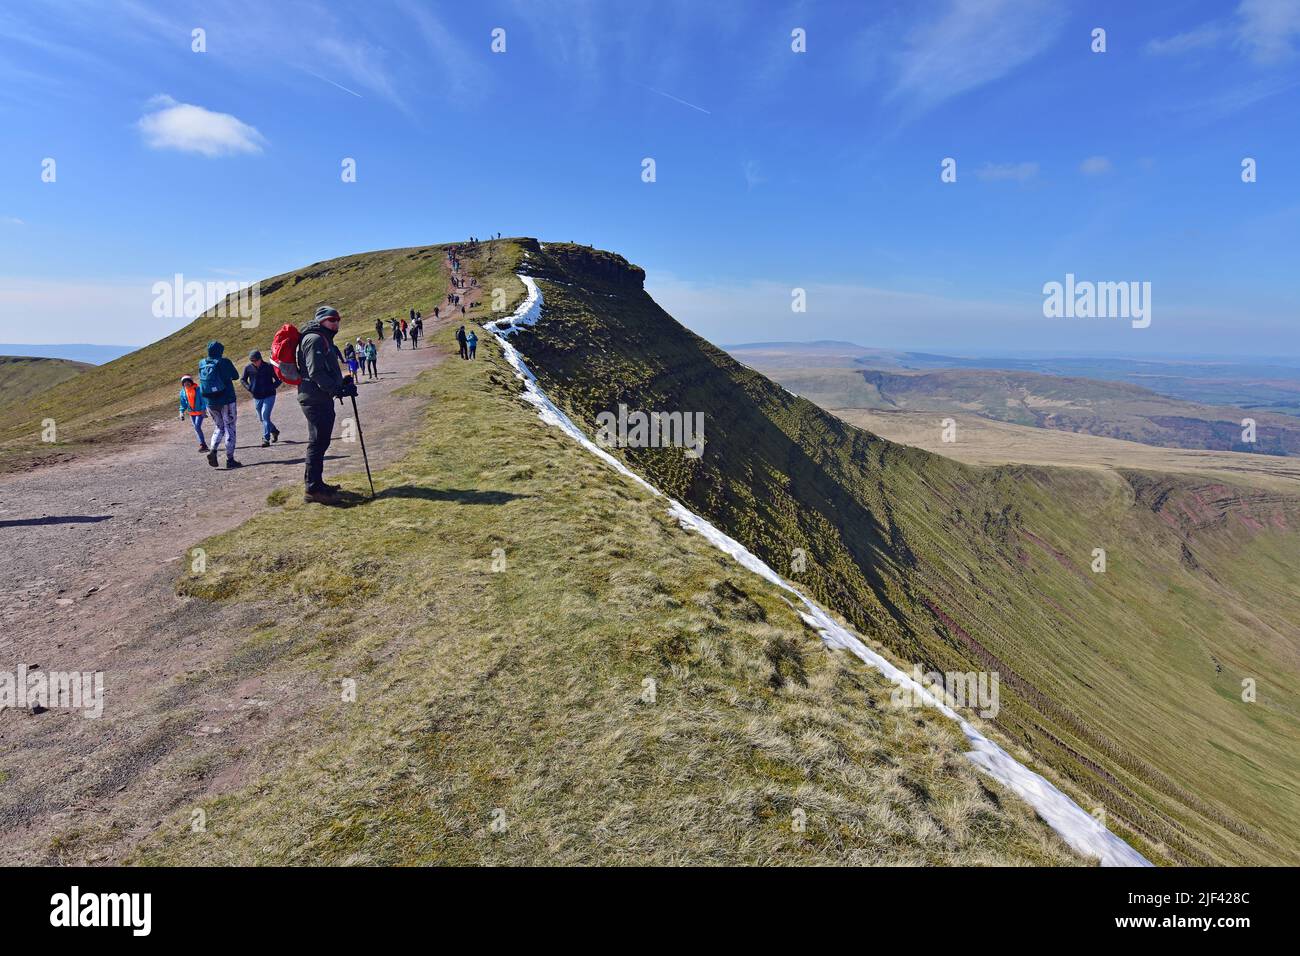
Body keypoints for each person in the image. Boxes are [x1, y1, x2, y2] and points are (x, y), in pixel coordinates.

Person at [297, 305, 356, 504]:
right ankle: (312, 490)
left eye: (338, 319)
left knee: (321, 442)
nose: (336, 322)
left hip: (319, 397)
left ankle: (318, 484)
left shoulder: (322, 338)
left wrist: (341, 383)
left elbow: (325, 370)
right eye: (332, 319)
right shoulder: (314, 339)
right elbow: (315, 372)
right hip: (314, 398)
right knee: (317, 442)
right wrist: (336, 390)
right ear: (321, 320)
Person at [199, 340, 242, 469]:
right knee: (230, 428)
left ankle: (213, 450)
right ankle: (230, 460)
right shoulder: (224, 362)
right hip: (227, 399)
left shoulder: (202, 363)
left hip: (210, 402)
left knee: (219, 427)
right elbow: (235, 376)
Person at [240, 349, 281, 447]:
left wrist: (271, 387)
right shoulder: (248, 368)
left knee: (265, 416)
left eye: (256, 360)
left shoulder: (268, 367)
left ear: (260, 359)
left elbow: (279, 379)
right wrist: (249, 388)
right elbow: (242, 380)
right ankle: (274, 431)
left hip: (269, 395)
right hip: (257, 396)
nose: (254, 362)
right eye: (252, 361)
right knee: (261, 418)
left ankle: (266, 439)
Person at [178, 374, 208, 451]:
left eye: (188, 382)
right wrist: (181, 412)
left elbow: (203, 401)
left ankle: (203, 445)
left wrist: (203, 410)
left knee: (197, 427)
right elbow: (183, 404)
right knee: (196, 428)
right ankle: (203, 445)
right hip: (191, 413)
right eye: (184, 382)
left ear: (191, 382)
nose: (186, 383)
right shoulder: (182, 392)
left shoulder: (197, 389)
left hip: (199, 412)